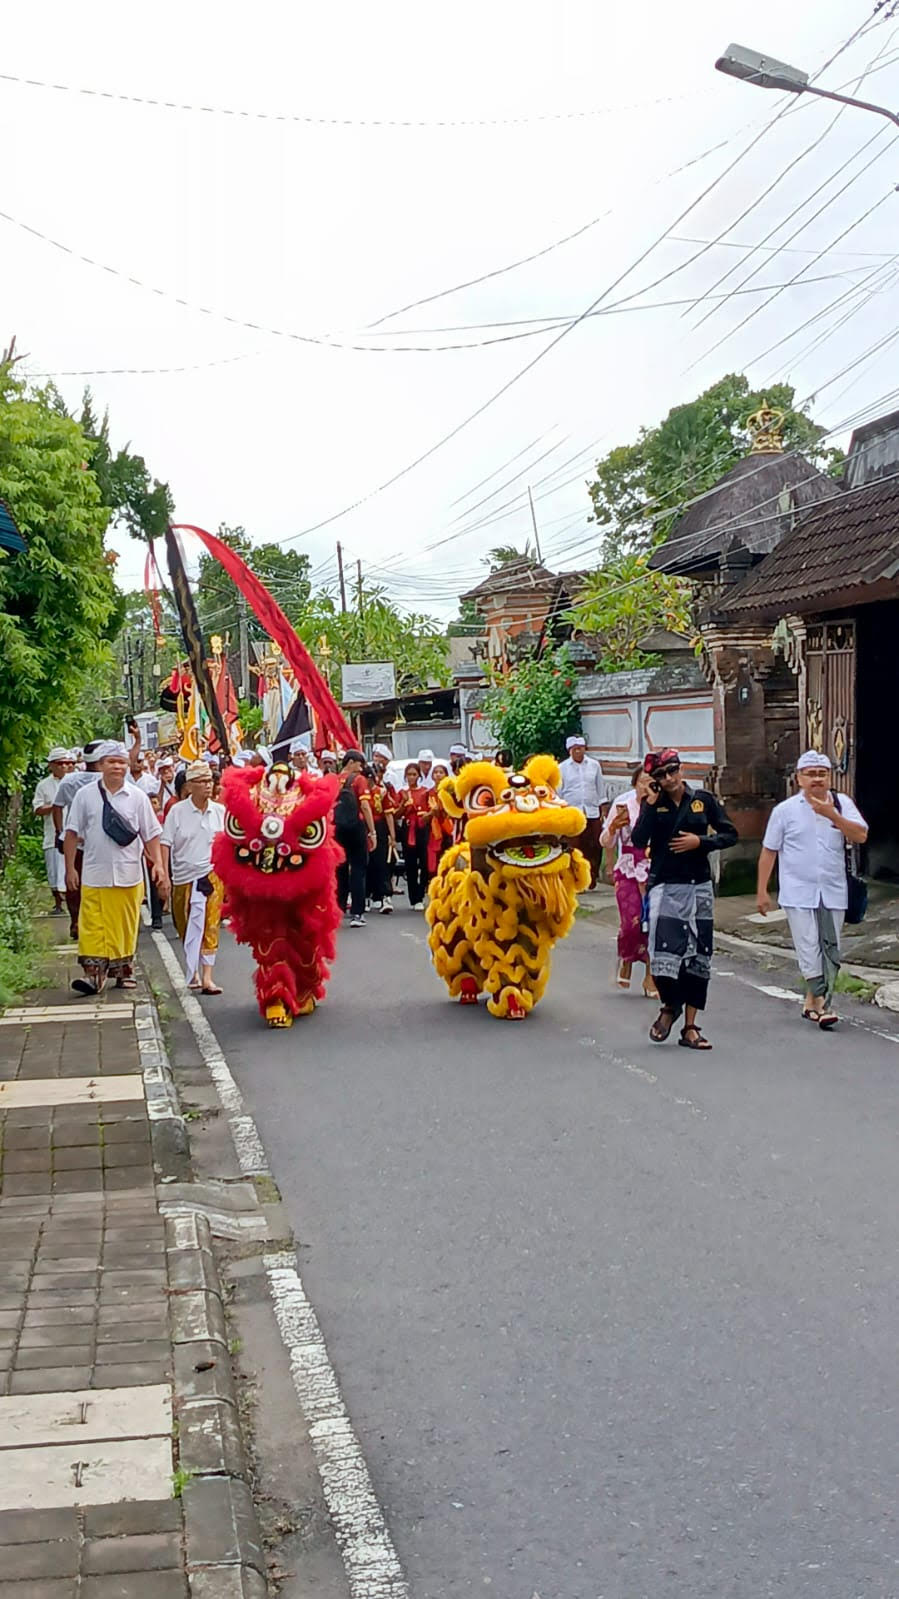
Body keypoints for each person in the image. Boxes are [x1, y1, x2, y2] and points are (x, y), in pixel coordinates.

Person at [631, 748, 737, 1050]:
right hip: (666, 885)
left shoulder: (703, 800)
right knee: (662, 954)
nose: (669, 778)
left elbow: (730, 834)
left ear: (681, 769)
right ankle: (670, 1006)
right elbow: (639, 841)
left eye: (672, 771)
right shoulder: (654, 804)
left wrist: (700, 842)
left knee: (698, 956)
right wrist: (649, 805)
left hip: (699, 885)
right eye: (661, 775)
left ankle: (690, 1027)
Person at [756, 750, 868, 1029]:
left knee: (830, 946)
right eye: (811, 774)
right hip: (797, 890)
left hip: (833, 888)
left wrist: (832, 815)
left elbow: (860, 835)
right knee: (808, 945)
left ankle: (812, 1003)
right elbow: (769, 851)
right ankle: (823, 1004)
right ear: (799, 778)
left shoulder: (842, 804)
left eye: (822, 773)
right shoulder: (785, 811)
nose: (817, 779)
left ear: (830, 776)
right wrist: (762, 891)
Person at [64, 741, 168, 995]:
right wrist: (70, 869)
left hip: (128, 874)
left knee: (124, 925)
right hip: (94, 873)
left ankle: (123, 972)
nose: (117, 767)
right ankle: (93, 975)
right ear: (100, 765)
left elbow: (151, 834)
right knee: (92, 926)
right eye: (111, 762)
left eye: (121, 762)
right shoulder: (85, 796)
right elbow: (71, 833)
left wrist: (159, 866)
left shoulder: (138, 797)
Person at [161, 759, 226, 994]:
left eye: (209, 781)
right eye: (201, 781)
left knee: (210, 924)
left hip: (211, 876)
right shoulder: (177, 812)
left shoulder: (220, 811)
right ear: (189, 785)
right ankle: (193, 971)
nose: (207, 786)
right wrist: (163, 875)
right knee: (186, 924)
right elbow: (165, 844)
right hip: (183, 877)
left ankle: (207, 976)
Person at [600, 765, 657, 997]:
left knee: (656, 925)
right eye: (643, 781)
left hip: (656, 870)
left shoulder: (662, 806)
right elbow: (606, 842)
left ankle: (651, 977)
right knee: (631, 924)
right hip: (628, 869)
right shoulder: (623, 805)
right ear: (635, 784)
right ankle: (627, 958)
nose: (647, 786)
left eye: (651, 782)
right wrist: (613, 827)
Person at [334, 750, 376, 927]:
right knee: (358, 869)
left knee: (340, 870)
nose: (361, 769)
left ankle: (338, 909)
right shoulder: (358, 780)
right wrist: (372, 831)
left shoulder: (332, 780)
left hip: (336, 828)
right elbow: (365, 806)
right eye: (360, 765)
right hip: (356, 827)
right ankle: (358, 913)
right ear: (351, 762)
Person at [557, 735, 606, 887]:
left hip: (592, 812)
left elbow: (600, 788)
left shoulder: (594, 765)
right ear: (569, 750)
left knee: (595, 845)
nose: (578, 751)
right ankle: (577, 878)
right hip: (573, 813)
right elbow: (559, 793)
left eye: (581, 748)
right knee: (575, 846)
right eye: (575, 749)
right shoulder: (562, 768)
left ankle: (592, 875)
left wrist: (603, 810)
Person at [33, 748, 75, 913]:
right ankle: (58, 904)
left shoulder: (75, 782)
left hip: (74, 835)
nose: (64, 767)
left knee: (72, 870)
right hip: (53, 835)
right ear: (51, 765)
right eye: (60, 763)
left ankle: (74, 905)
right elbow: (37, 808)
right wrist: (55, 805)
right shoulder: (44, 785)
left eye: (67, 763)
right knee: (54, 871)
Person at [367, 744, 398, 914]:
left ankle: (386, 895)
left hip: (380, 827)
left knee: (383, 862)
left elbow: (388, 815)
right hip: (364, 827)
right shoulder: (361, 791)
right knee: (367, 862)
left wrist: (392, 837)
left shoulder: (383, 791)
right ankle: (369, 896)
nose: (374, 778)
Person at [398, 761, 432, 908]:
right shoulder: (403, 793)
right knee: (410, 864)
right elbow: (396, 814)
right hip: (408, 828)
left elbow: (431, 810)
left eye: (414, 774)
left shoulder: (425, 792)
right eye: (409, 774)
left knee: (424, 863)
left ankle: (421, 891)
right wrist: (403, 804)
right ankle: (414, 898)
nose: (412, 777)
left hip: (422, 828)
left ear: (419, 775)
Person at [426, 760, 454, 877]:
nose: (438, 774)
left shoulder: (450, 792)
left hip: (448, 828)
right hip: (432, 830)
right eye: (435, 772)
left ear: (446, 775)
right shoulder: (428, 793)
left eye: (441, 772)